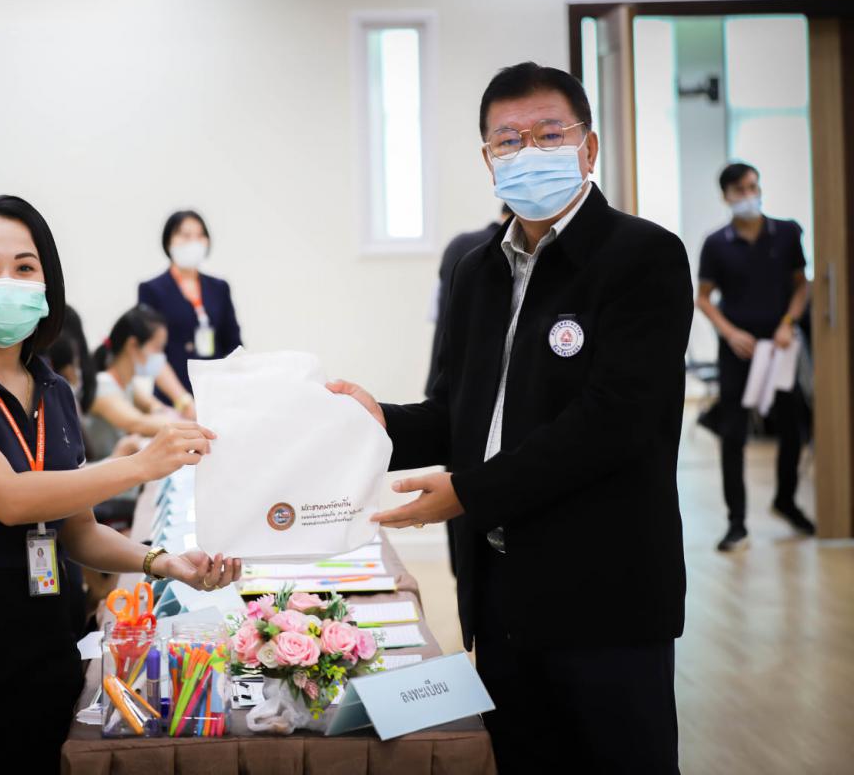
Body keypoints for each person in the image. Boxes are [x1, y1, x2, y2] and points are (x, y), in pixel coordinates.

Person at [328, 62, 692, 773]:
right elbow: (457, 412)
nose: (529, 152)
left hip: (606, 594)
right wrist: (377, 423)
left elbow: (613, 423)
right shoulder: (476, 271)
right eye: (509, 140)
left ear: (587, 148)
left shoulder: (643, 257)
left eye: (549, 134)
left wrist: (467, 493)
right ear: (488, 159)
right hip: (499, 592)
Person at [0, 195, 239, 772]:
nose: (7, 281)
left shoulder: (53, 389)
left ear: (47, 283)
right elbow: (9, 499)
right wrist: (140, 464)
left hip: (50, 648)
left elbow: (78, 532)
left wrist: (162, 562)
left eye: (25, 267)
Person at [696, 162, 814, 552]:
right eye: (740, 190)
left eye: (753, 187)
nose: (748, 195)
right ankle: (737, 523)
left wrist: (788, 323)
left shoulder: (787, 233)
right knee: (733, 434)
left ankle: (786, 500)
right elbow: (703, 298)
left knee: (792, 426)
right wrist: (730, 333)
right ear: (726, 196)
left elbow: (802, 286)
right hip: (738, 350)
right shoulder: (716, 243)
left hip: (779, 346)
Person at [427, 204, 513, 576]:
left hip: (453, 387)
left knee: (462, 493)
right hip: (474, 395)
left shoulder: (460, 247)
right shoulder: (475, 255)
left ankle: (462, 570)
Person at [137, 210, 243, 412]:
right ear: (169, 241)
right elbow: (150, 351)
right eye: (185, 235)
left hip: (216, 394)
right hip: (173, 398)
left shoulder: (219, 288)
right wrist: (183, 401)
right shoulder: (152, 289)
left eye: (200, 235)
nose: (194, 242)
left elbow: (233, 343)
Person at [426, 203, 514, 400]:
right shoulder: (506, 248)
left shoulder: (458, 244)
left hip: (443, 372)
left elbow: (435, 309)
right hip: (482, 382)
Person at [83, 305, 178, 463]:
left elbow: (152, 405)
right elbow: (138, 423)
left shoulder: (127, 384)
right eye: (157, 348)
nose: (161, 357)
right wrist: (189, 426)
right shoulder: (103, 387)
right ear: (133, 345)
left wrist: (158, 411)